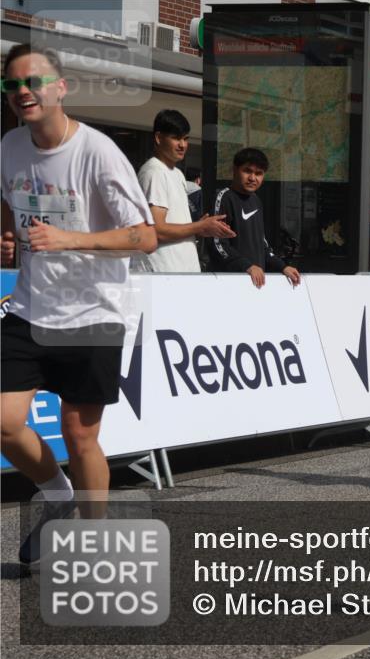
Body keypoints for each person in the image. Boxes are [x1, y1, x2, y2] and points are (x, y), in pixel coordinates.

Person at [0, 44, 158, 565]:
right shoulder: (9, 146)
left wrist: (71, 240)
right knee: (3, 422)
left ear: (61, 87)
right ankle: (57, 494)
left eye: (34, 82)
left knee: (79, 434)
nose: (23, 92)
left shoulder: (98, 152)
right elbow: (10, 203)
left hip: (93, 311)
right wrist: (8, 236)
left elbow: (145, 237)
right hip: (30, 307)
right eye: (12, 84)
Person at [133, 110, 232, 273]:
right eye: (176, 138)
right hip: (163, 274)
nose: (183, 145)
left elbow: (175, 228)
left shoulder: (177, 173)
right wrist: (199, 226)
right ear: (158, 138)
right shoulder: (154, 172)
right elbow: (156, 230)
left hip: (181, 273)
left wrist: (202, 228)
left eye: (185, 139)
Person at [207, 147, 301, 288]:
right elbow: (217, 244)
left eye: (258, 173)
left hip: (255, 284)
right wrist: (247, 266)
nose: (252, 178)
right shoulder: (224, 198)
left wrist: (282, 266)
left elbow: (262, 245)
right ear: (234, 170)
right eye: (247, 171)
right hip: (229, 284)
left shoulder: (256, 201)